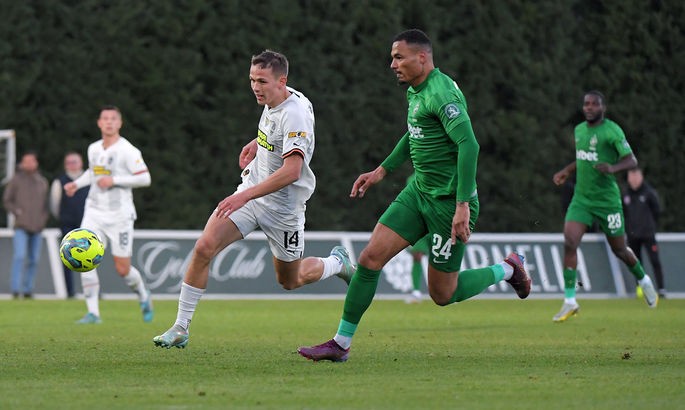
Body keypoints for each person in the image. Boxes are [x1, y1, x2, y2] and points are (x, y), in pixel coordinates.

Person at [297, 29, 531, 362]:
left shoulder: (441, 95)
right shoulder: (415, 91)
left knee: (442, 293)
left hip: (448, 203)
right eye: (392, 57)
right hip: (418, 192)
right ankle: (340, 344)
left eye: (399, 57)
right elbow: (415, 133)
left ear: (421, 58)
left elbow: (469, 145)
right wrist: (382, 170)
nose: (392, 64)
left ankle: (508, 269)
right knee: (370, 259)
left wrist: (462, 205)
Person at [152, 50, 355, 349]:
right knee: (204, 247)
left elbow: (292, 171)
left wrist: (244, 196)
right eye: (252, 80)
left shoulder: (295, 114)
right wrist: (257, 144)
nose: (255, 87)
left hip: (283, 208)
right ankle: (180, 327)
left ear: (281, 81)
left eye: (262, 81)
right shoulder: (278, 99)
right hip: (252, 194)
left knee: (290, 280)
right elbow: (277, 132)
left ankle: (337, 263)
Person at [551, 91, 658, 323]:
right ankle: (570, 300)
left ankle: (644, 279)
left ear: (602, 108)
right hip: (582, 199)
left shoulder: (612, 131)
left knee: (619, 249)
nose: (589, 107)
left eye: (594, 104)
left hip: (607, 202)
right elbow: (584, 158)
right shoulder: (579, 130)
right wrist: (567, 171)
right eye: (586, 104)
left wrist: (613, 168)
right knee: (569, 242)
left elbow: (631, 160)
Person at [64, 105, 153, 324]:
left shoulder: (128, 150)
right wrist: (77, 184)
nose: (109, 122)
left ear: (120, 123)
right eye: (105, 118)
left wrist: (114, 180)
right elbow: (93, 173)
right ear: (99, 123)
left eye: (113, 118)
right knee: (84, 257)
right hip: (93, 211)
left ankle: (143, 294)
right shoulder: (93, 148)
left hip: (120, 215)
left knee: (122, 269)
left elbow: (145, 178)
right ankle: (93, 313)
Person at [2, 151, 49, 299]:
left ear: (36, 163)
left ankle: (28, 289)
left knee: (34, 259)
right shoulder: (16, 180)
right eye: (26, 161)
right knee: (20, 256)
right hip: (21, 226)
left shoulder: (42, 181)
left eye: (31, 161)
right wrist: (17, 212)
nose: (28, 164)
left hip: (37, 227)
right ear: (22, 164)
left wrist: (42, 219)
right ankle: (16, 289)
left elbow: (46, 205)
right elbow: (7, 200)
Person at [49, 151, 89, 299]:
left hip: (87, 225)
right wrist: (64, 218)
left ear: (81, 163)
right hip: (68, 226)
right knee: (68, 258)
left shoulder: (89, 180)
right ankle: (70, 292)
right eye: (69, 162)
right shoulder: (60, 181)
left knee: (90, 258)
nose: (72, 165)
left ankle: (91, 292)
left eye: (74, 162)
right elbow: (55, 205)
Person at [623, 167, 666, 298]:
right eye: (631, 176)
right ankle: (640, 289)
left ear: (641, 177)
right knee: (636, 263)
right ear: (628, 178)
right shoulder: (625, 194)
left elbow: (657, 211)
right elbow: (623, 213)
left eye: (636, 176)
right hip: (632, 235)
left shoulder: (649, 193)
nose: (634, 179)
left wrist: (650, 226)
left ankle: (661, 289)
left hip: (648, 234)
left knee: (654, 260)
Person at [405, 234, 428, 304]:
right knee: (417, 256)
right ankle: (416, 292)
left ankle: (450, 291)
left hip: (435, 230)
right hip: (421, 232)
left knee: (443, 256)